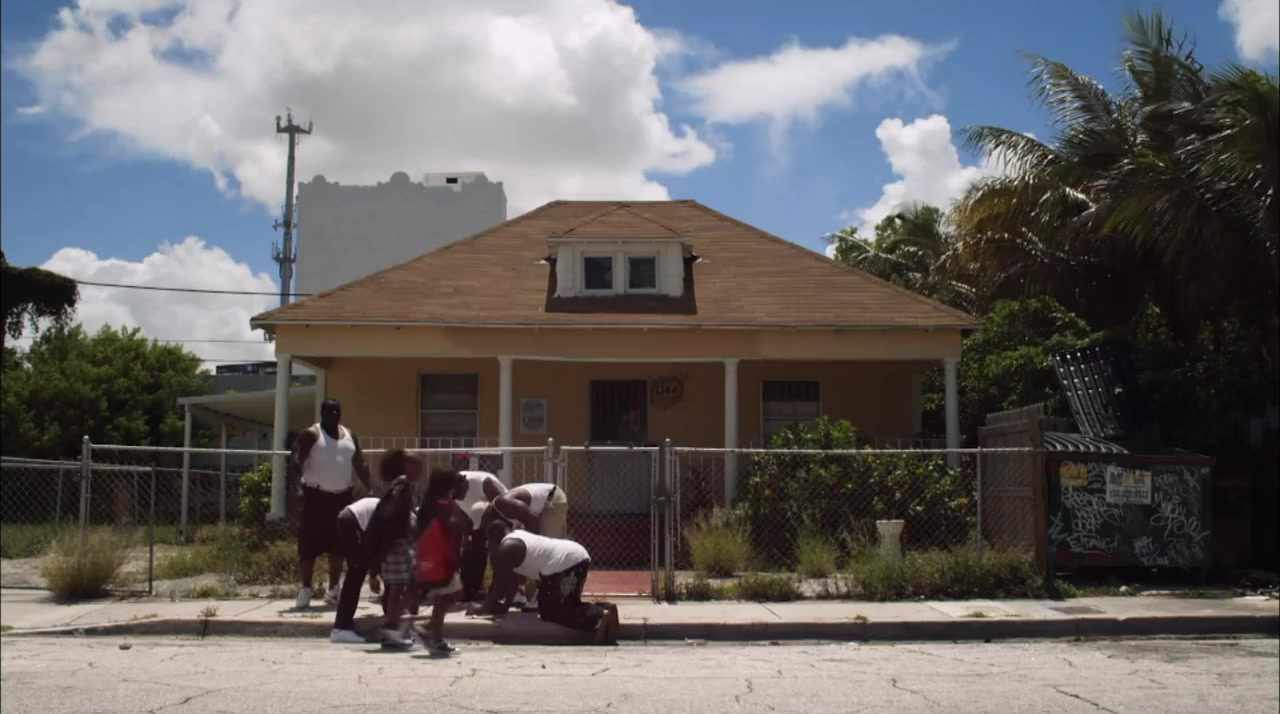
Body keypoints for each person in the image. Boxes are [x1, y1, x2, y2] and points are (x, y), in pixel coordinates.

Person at [470, 520, 619, 645]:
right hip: (575, 556)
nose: (489, 548)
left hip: (564, 562)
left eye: (488, 542)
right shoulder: (516, 537)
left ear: (494, 537)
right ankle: (606, 609)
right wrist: (505, 607)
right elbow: (511, 582)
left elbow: (499, 586)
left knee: (551, 611)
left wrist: (483, 609)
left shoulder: (506, 548)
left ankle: (599, 616)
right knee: (567, 604)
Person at [288, 399, 373, 609]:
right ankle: (305, 589)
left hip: (342, 497)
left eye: (337, 411)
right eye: (329, 411)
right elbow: (295, 461)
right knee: (308, 545)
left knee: (339, 546)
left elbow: (360, 464)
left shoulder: (350, 436)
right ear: (322, 413)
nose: (334, 415)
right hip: (315, 496)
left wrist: (371, 488)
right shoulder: (311, 434)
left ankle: (334, 588)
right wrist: (296, 488)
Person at [364, 452, 422, 648]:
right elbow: (389, 508)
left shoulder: (403, 485)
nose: (420, 470)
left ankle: (397, 622)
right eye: (416, 465)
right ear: (405, 467)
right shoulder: (401, 483)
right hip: (396, 544)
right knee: (397, 587)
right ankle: (391, 625)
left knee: (403, 585)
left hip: (402, 543)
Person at [413, 467, 472, 655]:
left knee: (448, 595)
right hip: (443, 557)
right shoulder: (443, 503)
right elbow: (457, 524)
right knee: (449, 595)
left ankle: (431, 630)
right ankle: (434, 637)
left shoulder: (435, 502)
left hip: (440, 556)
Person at [329, 495, 381, 644]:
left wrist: (373, 573)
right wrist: (374, 573)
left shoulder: (393, 512)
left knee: (357, 571)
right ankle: (341, 628)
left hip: (351, 518)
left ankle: (344, 624)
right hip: (351, 521)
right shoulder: (396, 519)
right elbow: (374, 547)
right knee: (356, 573)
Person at [454, 471, 507, 601]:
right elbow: (463, 516)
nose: (459, 498)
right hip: (476, 519)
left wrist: (494, 534)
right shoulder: (451, 489)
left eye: (459, 494)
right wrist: (466, 536)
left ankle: (499, 590)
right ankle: (471, 589)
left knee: (496, 554)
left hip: (498, 518)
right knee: (471, 550)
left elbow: (502, 506)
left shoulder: (483, 483)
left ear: (464, 484)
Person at [486, 482, 568, 539]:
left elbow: (532, 519)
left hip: (552, 497)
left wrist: (535, 542)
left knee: (548, 542)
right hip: (542, 502)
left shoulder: (504, 505)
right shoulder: (501, 514)